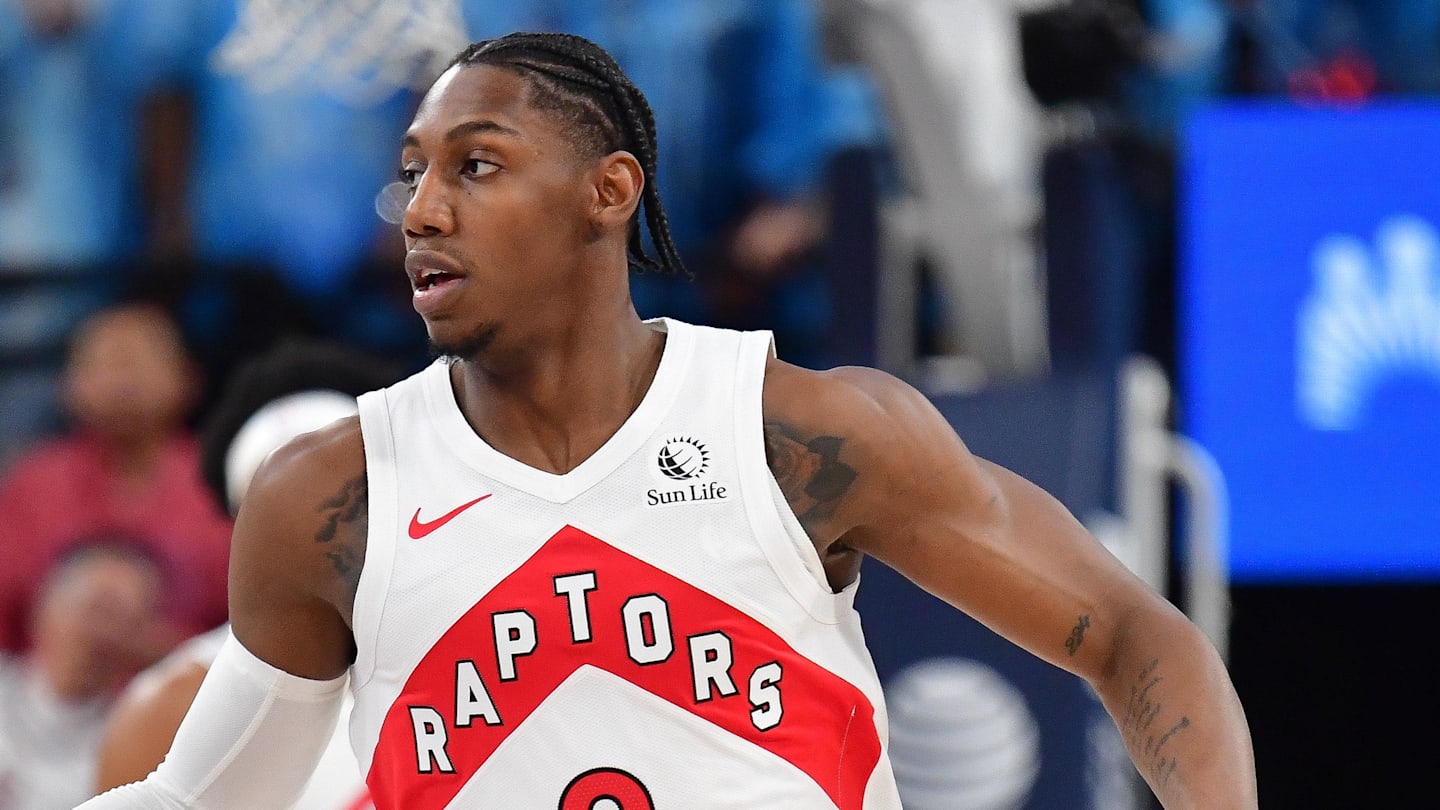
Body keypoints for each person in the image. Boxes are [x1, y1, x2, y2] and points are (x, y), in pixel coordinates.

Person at [80, 32, 1258, 808]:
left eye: (477, 166)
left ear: (610, 192)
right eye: (413, 171)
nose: (424, 209)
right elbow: (199, 800)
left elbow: (1124, 632)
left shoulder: (794, 437)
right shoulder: (332, 501)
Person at [90, 339, 401, 808]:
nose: (325, 533)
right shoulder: (168, 710)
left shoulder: (493, 629)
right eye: (284, 511)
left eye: (347, 500)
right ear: (243, 534)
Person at [0, 302, 233, 654]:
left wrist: (163, 650)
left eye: (138, 363)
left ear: (188, 379)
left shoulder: (226, 481)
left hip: (198, 692)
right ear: (68, 384)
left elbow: (259, 633)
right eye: (103, 365)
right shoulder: (31, 484)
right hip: (46, 697)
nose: (122, 382)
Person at [0, 541, 169, 810]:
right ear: (46, 605)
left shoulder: (133, 739)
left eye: (126, 620)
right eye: (98, 609)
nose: (104, 635)